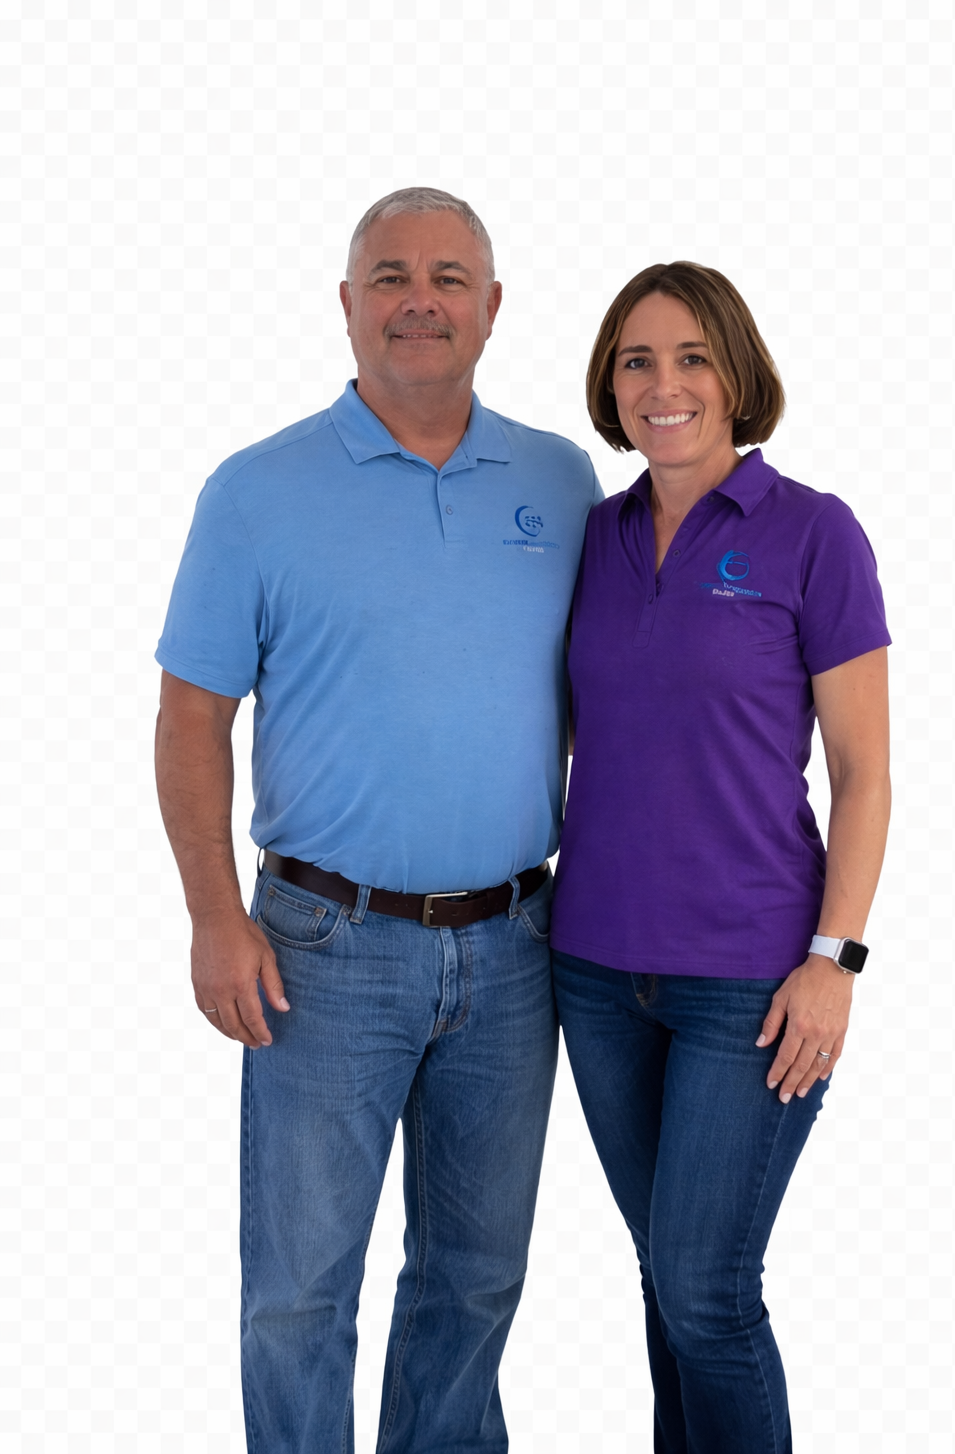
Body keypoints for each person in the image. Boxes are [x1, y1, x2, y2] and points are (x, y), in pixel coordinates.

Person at [153, 187, 601, 1454]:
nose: (421, 298)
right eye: (391, 275)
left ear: (494, 308)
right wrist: (210, 919)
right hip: (318, 950)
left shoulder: (561, 483)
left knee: (473, 1280)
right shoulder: (255, 490)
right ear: (346, 306)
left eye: (450, 277)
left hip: (517, 948)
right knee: (299, 1298)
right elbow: (192, 720)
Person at [550, 262, 891, 1454]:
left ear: (737, 376)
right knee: (663, 1279)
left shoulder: (812, 534)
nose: (665, 384)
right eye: (637, 360)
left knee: (705, 1286)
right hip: (589, 971)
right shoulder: (588, 540)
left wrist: (834, 960)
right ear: (610, 385)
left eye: (692, 357)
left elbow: (862, 774)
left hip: (748, 981)